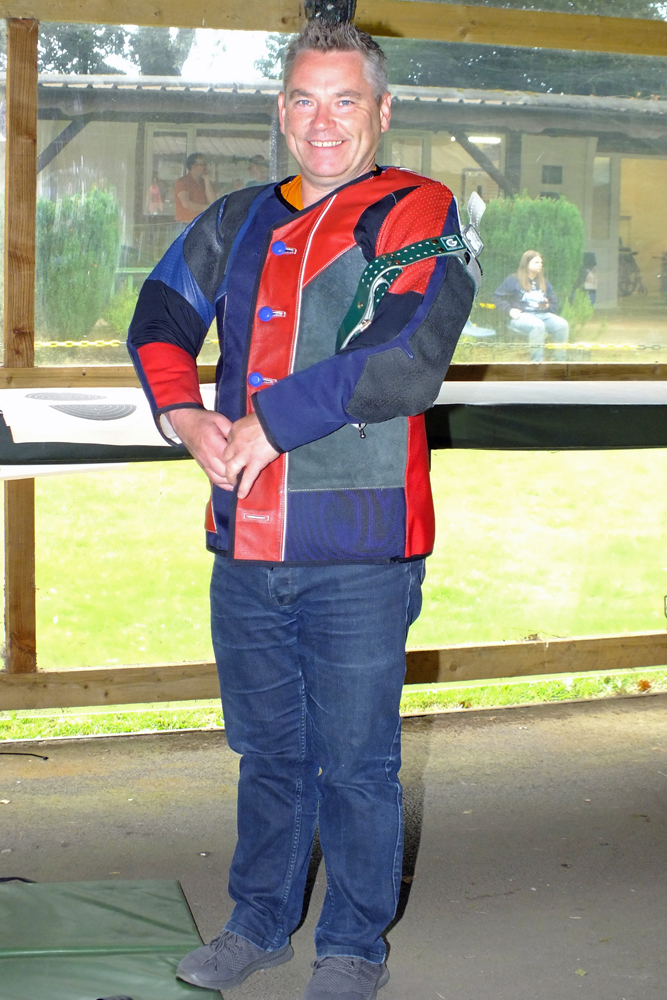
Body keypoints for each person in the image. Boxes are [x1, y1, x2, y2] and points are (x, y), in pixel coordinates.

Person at [128, 20, 477, 1000]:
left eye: (344, 100)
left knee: (357, 763)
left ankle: (354, 946)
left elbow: (406, 355)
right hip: (243, 541)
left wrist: (268, 422)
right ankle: (259, 922)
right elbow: (159, 311)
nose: (322, 123)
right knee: (267, 750)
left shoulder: (421, 210)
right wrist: (185, 414)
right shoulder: (237, 215)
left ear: (381, 110)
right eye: (303, 99)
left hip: (360, 547)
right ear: (280, 109)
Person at [493, 250, 569, 362]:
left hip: (542, 315)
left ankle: (560, 363)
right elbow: (496, 297)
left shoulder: (544, 282)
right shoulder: (513, 280)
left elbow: (554, 304)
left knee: (562, 325)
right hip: (521, 316)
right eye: (536, 262)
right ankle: (537, 364)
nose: (540, 265)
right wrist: (509, 310)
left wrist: (547, 306)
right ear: (526, 264)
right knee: (537, 325)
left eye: (541, 262)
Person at [173, 152, 216, 225]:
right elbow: (186, 204)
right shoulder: (182, 182)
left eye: (206, 164)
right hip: (185, 223)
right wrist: (206, 207)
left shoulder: (205, 183)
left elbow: (213, 202)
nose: (205, 167)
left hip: (201, 223)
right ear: (193, 166)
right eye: (202, 164)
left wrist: (207, 181)